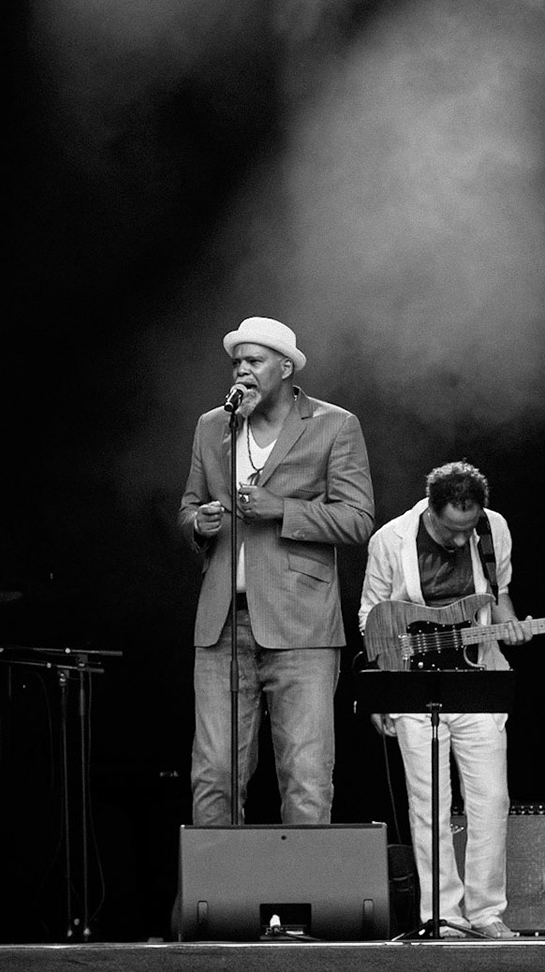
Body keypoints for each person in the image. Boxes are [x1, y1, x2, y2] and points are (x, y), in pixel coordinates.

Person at [179, 316, 375, 825]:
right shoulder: (212, 426)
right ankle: (220, 902)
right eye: (237, 362)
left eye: (254, 361)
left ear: (285, 367)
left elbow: (358, 520)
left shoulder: (334, 424)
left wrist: (281, 509)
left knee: (306, 778)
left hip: (302, 625)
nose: (242, 371)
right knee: (214, 773)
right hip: (224, 623)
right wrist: (199, 522)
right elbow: (189, 506)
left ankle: (303, 902)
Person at [358, 461, 529, 939]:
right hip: (414, 685)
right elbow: (371, 616)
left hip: (478, 679)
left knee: (491, 801)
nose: (461, 540)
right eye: (452, 530)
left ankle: (486, 913)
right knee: (428, 805)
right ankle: (444, 916)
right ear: (432, 510)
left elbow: (500, 594)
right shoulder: (390, 539)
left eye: (469, 528)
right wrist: (382, 690)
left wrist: (511, 624)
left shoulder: (493, 530)